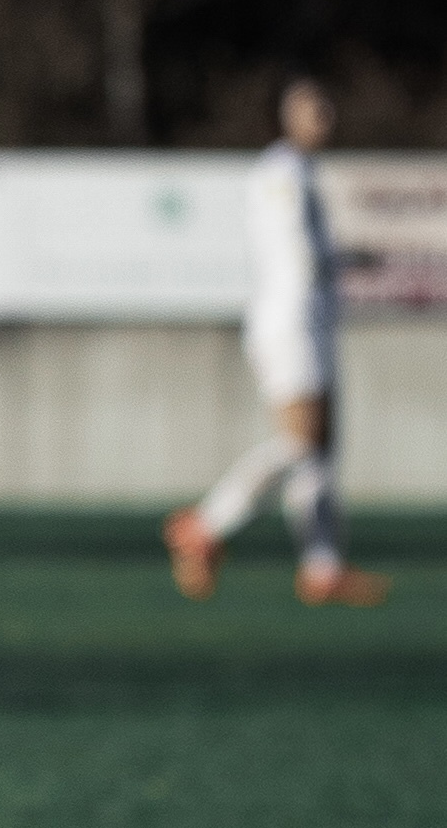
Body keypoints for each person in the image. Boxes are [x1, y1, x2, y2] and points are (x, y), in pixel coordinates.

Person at [164, 77, 390, 607]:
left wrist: (346, 261)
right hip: (289, 322)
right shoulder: (280, 170)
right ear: (288, 117)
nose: (325, 116)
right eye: (314, 108)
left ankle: (322, 566)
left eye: (328, 106)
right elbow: (292, 250)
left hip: (313, 319)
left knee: (322, 449)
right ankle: (205, 524)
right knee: (301, 443)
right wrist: (331, 265)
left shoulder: (305, 170)